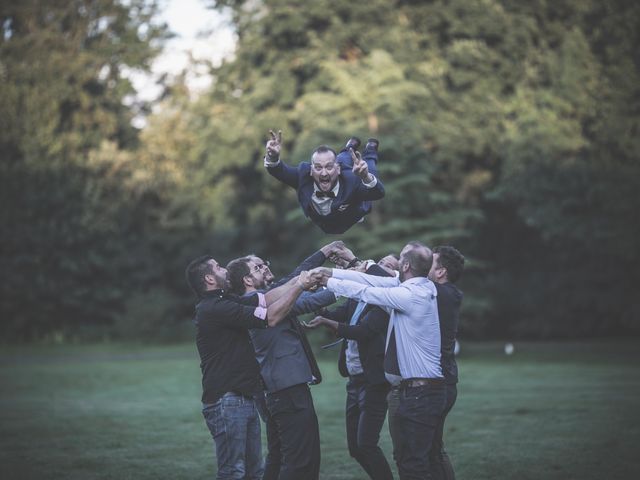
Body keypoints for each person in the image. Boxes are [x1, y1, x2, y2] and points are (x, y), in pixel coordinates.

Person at [310, 241, 445, 480]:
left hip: (420, 394)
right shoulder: (420, 286)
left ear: (404, 265)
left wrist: (327, 281)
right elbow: (370, 280)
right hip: (418, 392)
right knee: (411, 460)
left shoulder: (409, 294)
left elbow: (367, 291)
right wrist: (331, 272)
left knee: (414, 464)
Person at [184, 255, 316, 480]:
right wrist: (300, 286)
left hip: (243, 398)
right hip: (227, 400)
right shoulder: (214, 308)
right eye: (219, 267)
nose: (225, 269)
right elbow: (270, 317)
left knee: (253, 472)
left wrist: (298, 282)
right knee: (233, 472)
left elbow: (266, 298)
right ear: (209, 278)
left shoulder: (225, 302)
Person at [226, 242, 342, 480]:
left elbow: (296, 284)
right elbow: (306, 300)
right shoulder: (258, 303)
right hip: (286, 389)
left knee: (280, 455)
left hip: (278, 389)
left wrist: (324, 255)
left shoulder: (261, 300)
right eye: (258, 267)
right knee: (301, 461)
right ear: (247, 280)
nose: (266, 268)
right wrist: (349, 283)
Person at [305, 250, 399, 480]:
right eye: (380, 261)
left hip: (374, 381)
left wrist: (327, 323)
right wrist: (320, 305)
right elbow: (340, 313)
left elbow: (363, 332)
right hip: (354, 380)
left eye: (387, 264)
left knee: (366, 444)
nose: (379, 265)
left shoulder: (386, 303)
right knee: (355, 449)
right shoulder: (359, 296)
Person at [263, 129, 385, 234]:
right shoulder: (302, 176)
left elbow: (378, 193)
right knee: (340, 159)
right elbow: (279, 171)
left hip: (352, 214)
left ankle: (370, 150)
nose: (324, 173)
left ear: (338, 170)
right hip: (325, 224)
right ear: (311, 170)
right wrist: (272, 156)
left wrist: (365, 177)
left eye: (329, 167)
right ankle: (350, 147)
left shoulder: (352, 181)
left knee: (368, 168)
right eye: (318, 167)